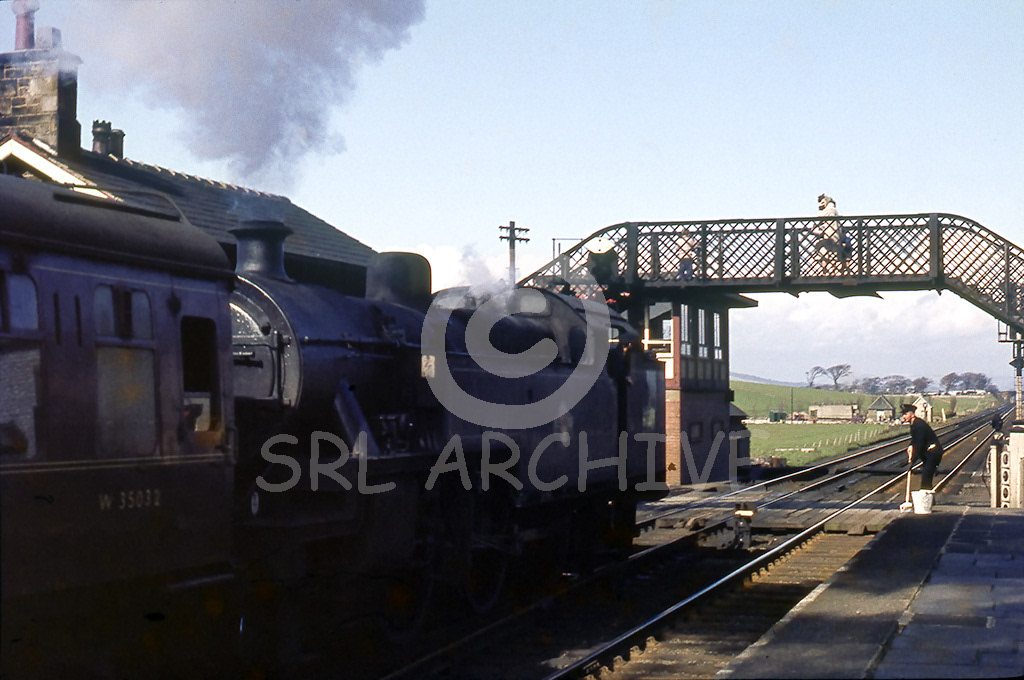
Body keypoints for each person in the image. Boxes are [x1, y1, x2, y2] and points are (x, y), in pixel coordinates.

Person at [901, 403, 943, 490]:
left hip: (933, 452)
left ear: (912, 414)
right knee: (926, 474)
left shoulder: (919, 425)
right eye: (903, 414)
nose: (904, 417)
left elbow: (919, 444)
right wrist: (910, 446)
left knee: (926, 476)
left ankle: (926, 495)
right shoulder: (914, 424)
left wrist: (912, 461)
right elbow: (915, 439)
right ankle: (927, 495)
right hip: (928, 452)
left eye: (905, 414)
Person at [813, 194, 843, 269]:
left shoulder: (830, 209)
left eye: (823, 202)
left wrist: (820, 211)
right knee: (832, 254)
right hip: (834, 234)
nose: (822, 204)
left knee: (825, 254)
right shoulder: (833, 209)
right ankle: (832, 271)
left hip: (830, 234)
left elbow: (820, 217)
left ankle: (827, 272)